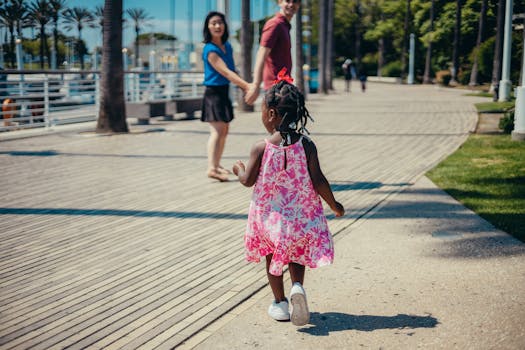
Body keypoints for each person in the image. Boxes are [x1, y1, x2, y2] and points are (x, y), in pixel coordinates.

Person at [233, 76, 345, 326]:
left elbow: (247, 180)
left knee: (272, 256)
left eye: (263, 111)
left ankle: (280, 303)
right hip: (300, 218)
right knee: (295, 255)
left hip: (270, 220)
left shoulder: (260, 148)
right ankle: (297, 287)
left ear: (271, 113)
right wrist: (334, 205)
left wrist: (237, 169)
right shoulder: (306, 145)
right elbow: (318, 180)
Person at [201, 11, 252, 182]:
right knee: (216, 131)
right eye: (213, 23)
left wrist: (244, 85)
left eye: (220, 22)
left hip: (223, 92)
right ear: (208, 27)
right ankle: (211, 168)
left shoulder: (227, 46)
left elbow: (233, 70)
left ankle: (216, 164)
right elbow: (226, 72)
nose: (217, 26)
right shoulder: (210, 49)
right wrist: (247, 86)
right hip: (213, 93)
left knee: (224, 130)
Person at [245, 0, 301, 105]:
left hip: (283, 86)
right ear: (279, 2)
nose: (291, 4)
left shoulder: (284, 26)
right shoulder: (275, 24)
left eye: (295, 1)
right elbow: (261, 53)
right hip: (275, 89)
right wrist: (256, 85)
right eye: (287, 1)